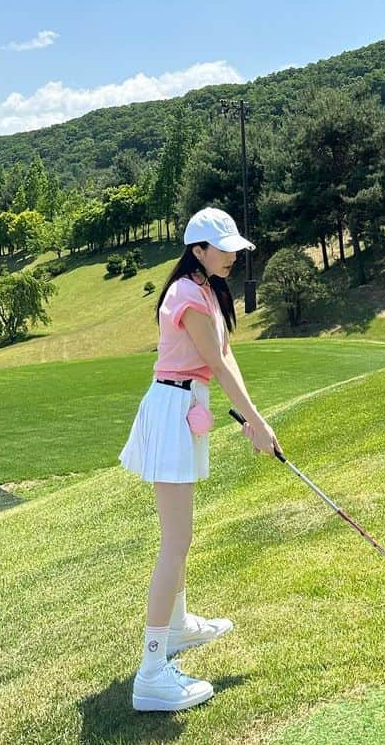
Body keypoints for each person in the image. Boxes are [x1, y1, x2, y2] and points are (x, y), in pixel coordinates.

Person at [119, 205, 282, 713]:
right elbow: (214, 361)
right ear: (198, 250)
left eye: (235, 247)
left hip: (186, 409)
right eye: (224, 248)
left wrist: (256, 418)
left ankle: (178, 626)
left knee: (180, 538)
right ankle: (151, 671)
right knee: (177, 541)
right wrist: (255, 422)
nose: (232, 255)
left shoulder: (208, 288)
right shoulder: (186, 294)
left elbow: (226, 357)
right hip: (172, 411)